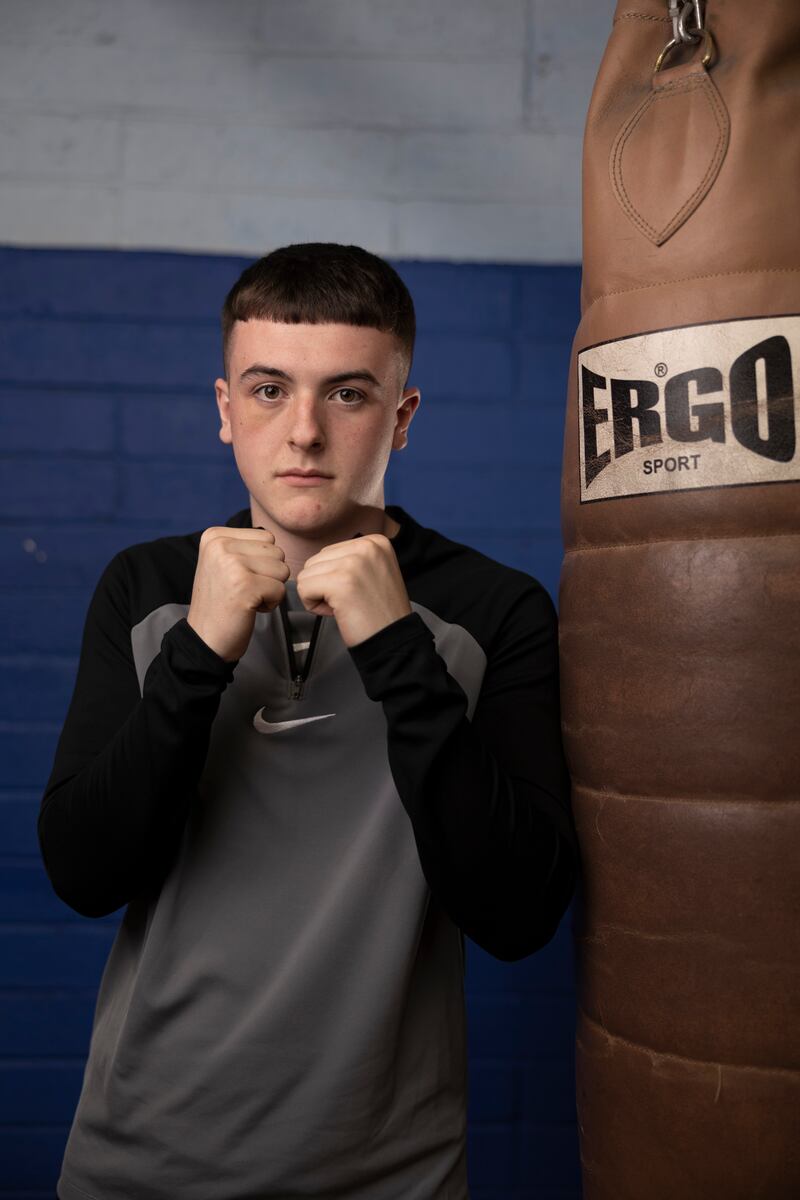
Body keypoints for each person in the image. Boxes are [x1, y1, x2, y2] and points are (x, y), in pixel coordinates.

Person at [39, 242, 577, 1200]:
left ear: (401, 416)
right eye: (268, 389)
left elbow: (519, 915)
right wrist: (198, 651)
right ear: (223, 409)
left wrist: (399, 649)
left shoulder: (496, 611)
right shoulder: (147, 590)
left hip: (390, 1175)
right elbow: (84, 872)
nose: (303, 434)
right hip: (137, 1163)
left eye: (347, 393)